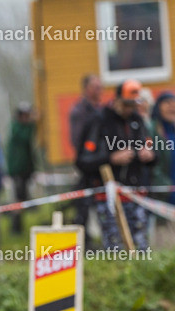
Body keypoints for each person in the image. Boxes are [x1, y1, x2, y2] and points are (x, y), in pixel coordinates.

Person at [76, 80, 156, 250]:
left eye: (133, 105)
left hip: (136, 193)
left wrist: (149, 154)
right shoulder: (99, 121)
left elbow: (152, 149)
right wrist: (110, 159)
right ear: (117, 100)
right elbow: (83, 160)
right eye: (126, 105)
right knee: (115, 248)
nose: (130, 109)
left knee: (140, 246)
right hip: (107, 196)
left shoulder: (137, 120)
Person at [69, 74, 104, 232]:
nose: (100, 90)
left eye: (101, 87)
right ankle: (84, 238)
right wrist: (89, 155)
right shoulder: (80, 111)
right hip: (86, 163)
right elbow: (77, 140)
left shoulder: (100, 110)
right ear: (86, 89)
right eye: (96, 87)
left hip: (100, 162)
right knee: (83, 204)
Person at [150, 92, 175, 209]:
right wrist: (165, 186)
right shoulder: (154, 130)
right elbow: (153, 165)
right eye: (167, 103)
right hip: (165, 194)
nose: (172, 107)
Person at [6, 102, 38, 235]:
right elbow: (25, 137)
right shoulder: (17, 127)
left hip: (25, 170)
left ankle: (18, 226)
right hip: (17, 171)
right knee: (17, 199)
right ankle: (15, 227)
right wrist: (33, 124)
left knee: (22, 198)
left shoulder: (23, 127)